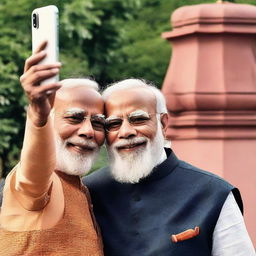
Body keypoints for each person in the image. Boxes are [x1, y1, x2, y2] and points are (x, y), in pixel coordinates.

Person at [84, 78, 256, 256]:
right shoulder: (88, 192)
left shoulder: (213, 193)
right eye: (113, 124)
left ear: (163, 124)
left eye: (138, 119)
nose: (126, 132)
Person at [0, 42, 104, 255]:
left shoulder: (82, 189)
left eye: (98, 122)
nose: (88, 131)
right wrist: (38, 118)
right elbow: (34, 173)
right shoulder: (40, 185)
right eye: (74, 117)